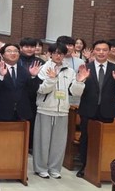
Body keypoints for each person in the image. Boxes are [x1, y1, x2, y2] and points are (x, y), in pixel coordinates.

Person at [34, 44, 88, 179]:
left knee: (59, 143)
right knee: (42, 141)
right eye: (56, 53)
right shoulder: (43, 68)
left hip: (63, 110)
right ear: (50, 54)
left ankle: (55, 168)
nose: (58, 56)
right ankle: (41, 168)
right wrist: (52, 79)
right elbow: (41, 90)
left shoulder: (70, 71)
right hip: (45, 109)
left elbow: (75, 93)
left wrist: (80, 82)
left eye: (61, 54)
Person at [76, 40, 115, 178]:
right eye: (98, 49)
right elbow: (77, 90)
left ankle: (103, 167)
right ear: (93, 51)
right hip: (88, 109)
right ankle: (85, 166)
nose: (101, 52)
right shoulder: (85, 67)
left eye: (104, 50)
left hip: (107, 110)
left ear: (108, 51)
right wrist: (81, 80)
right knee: (86, 138)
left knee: (104, 140)